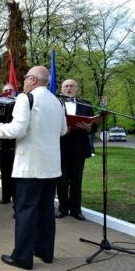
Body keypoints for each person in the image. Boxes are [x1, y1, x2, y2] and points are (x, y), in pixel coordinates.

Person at [0, 66, 67, 270]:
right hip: (51, 167)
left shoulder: (26, 98)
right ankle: (45, 251)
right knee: (46, 210)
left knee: (26, 211)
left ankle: (22, 257)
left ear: (32, 79)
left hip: (30, 166)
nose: (23, 81)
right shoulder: (56, 101)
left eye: (26, 78)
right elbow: (63, 130)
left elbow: (18, 129)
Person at [56, 79, 95, 221]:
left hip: (79, 148)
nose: (68, 88)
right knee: (62, 180)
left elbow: (93, 125)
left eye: (71, 86)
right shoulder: (56, 103)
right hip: (61, 147)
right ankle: (63, 208)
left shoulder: (86, 104)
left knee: (77, 180)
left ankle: (76, 209)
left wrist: (90, 128)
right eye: (66, 86)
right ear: (62, 89)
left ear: (77, 89)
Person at [0, 83, 16, 205]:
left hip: (15, 142)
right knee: (5, 171)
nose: (8, 91)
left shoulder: (20, 103)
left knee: (15, 172)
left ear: (14, 92)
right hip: (2, 143)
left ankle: (15, 197)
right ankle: (5, 196)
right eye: (6, 90)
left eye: (10, 90)